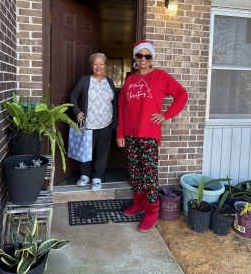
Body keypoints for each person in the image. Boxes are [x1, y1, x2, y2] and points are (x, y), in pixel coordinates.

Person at [116, 40, 188, 232]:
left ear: (152, 58)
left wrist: (166, 114)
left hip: (148, 134)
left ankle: (151, 213)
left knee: (149, 174)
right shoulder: (130, 80)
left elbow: (181, 94)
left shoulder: (160, 76)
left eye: (147, 56)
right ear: (135, 57)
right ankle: (139, 203)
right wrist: (120, 132)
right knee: (135, 171)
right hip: (130, 133)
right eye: (140, 55)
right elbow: (122, 107)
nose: (143, 59)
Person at [70, 53, 117, 191]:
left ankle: (97, 177)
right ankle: (85, 175)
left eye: (101, 64)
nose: (98, 66)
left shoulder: (110, 82)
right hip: (88, 123)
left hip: (106, 124)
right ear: (91, 66)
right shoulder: (84, 80)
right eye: (95, 64)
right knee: (86, 152)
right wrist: (77, 111)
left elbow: (114, 102)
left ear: (105, 66)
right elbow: (73, 96)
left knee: (103, 152)